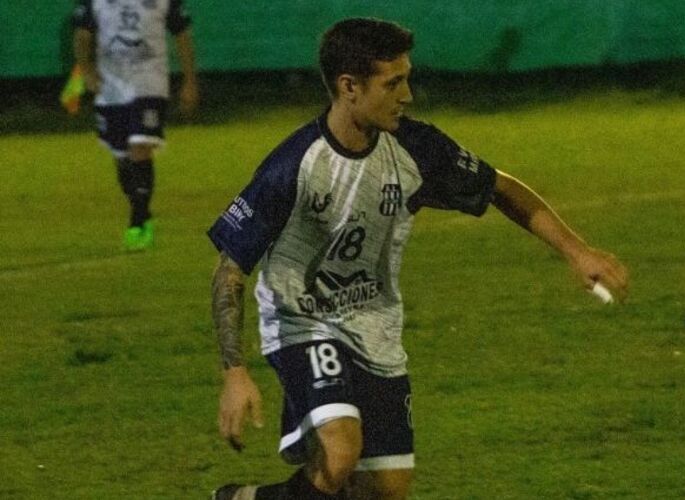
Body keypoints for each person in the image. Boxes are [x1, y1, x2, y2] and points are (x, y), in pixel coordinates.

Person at [208, 18, 629, 500]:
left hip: (376, 328)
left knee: (385, 490)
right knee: (341, 452)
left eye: (407, 78)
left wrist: (578, 252)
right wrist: (235, 373)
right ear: (349, 87)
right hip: (304, 322)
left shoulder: (416, 148)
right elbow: (229, 269)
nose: (407, 94)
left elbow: (501, 189)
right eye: (393, 83)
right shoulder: (294, 166)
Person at [72, 0, 199, 251]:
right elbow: (82, 35)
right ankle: (140, 208)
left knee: (140, 145)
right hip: (111, 88)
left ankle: (138, 222)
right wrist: (86, 71)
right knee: (121, 157)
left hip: (149, 84)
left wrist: (190, 81)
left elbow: (182, 35)